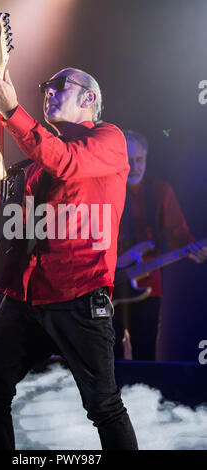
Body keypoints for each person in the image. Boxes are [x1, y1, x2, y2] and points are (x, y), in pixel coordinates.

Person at [0, 67, 138, 450]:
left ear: (89, 99)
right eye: (44, 87)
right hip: (25, 297)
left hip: (79, 296)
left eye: (58, 86)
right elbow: (28, 231)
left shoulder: (108, 139)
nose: (47, 92)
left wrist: (13, 111)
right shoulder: (35, 167)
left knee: (104, 406)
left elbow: (65, 162)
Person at [113, 130, 207, 361]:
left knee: (145, 353)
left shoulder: (160, 191)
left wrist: (193, 249)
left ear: (146, 158)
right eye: (129, 160)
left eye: (140, 160)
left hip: (149, 285)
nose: (135, 166)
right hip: (104, 282)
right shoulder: (107, 190)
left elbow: (178, 233)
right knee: (108, 356)